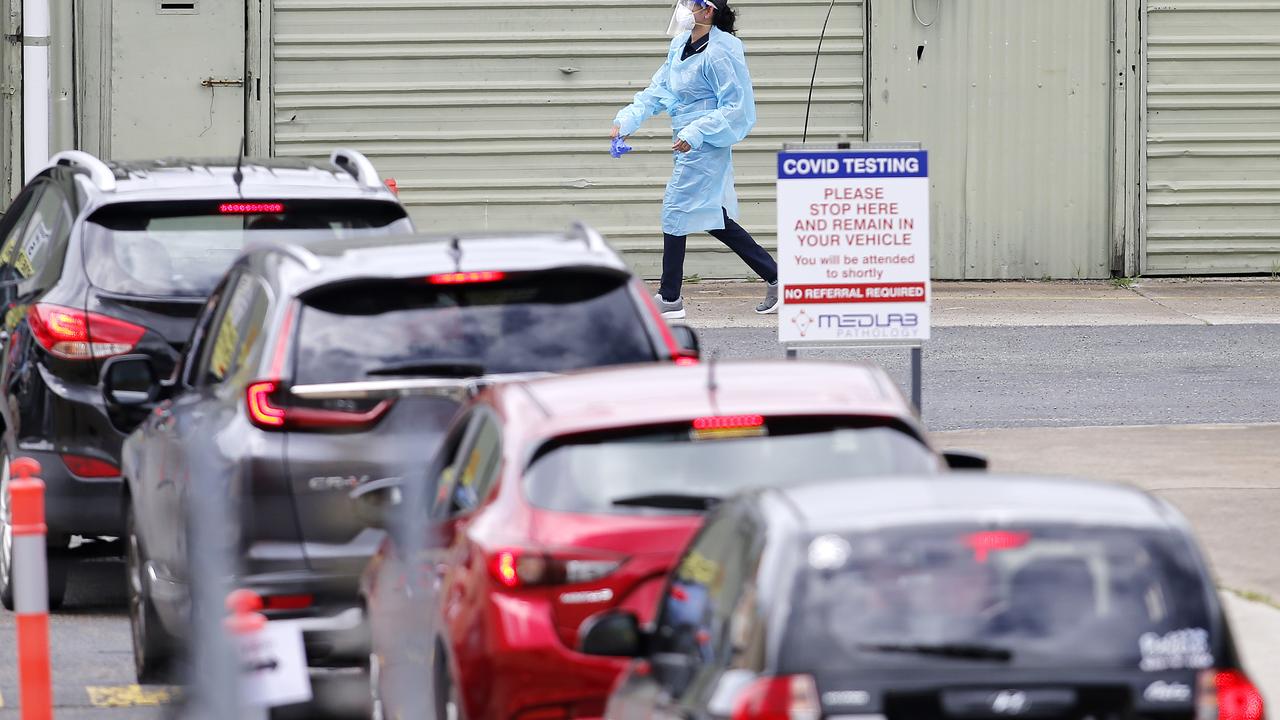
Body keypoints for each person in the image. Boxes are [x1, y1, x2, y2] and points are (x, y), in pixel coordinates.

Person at [612, 0, 779, 319]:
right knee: (709, 214)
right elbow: (658, 90)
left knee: (676, 208)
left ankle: (670, 297)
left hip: (706, 141)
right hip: (686, 139)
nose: (685, 7)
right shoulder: (680, 45)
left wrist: (697, 132)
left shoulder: (721, 51)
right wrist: (626, 121)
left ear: (709, 10)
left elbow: (736, 107)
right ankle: (776, 276)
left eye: (693, 2)